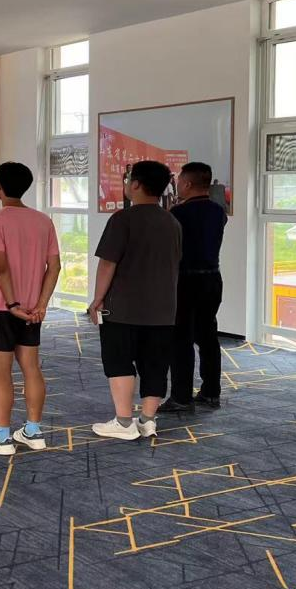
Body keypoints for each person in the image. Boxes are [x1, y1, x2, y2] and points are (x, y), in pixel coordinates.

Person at [0, 163, 61, 456]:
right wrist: (41, 304)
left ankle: (2, 437)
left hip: (2, 307)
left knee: (1, 372)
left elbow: (1, 266)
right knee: (31, 367)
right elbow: (54, 267)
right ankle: (33, 431)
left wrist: (12, 304)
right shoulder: (43, 221)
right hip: (32, 309)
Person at [88, 160, 182, 441]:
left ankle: (123, 421)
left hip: (123, 308)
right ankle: (148, 420)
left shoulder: (122, 219)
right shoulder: (172, 222)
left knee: (119, 361)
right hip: (163, 309)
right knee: (155, 363)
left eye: (129, 179)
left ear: (136, 184)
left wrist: (97, 299)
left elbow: (108, 263)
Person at [160, 162, 227, 412]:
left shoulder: (177, 213)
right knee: (208, 336)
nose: (177, 185)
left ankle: (181, 397)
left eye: (179, 181)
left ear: (187, 184)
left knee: (181, 339)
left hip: (185, 280)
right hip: (212, 279)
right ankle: (211, 392)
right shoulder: (218, 211)